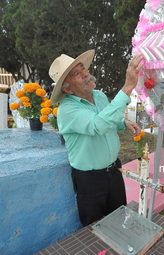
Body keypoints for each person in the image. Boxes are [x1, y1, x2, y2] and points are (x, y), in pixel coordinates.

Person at [49, 50, 143, 226]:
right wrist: (128, 86)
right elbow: (98, 124)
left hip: (114, 171)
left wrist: (123, 122)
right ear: (67, 88)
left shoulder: (99, 96)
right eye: (76, 73)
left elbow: (109, 121)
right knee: (94, 229)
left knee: (119, 219)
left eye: (83, 68)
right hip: (90, 179)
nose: (86, 73)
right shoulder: (67, 110)